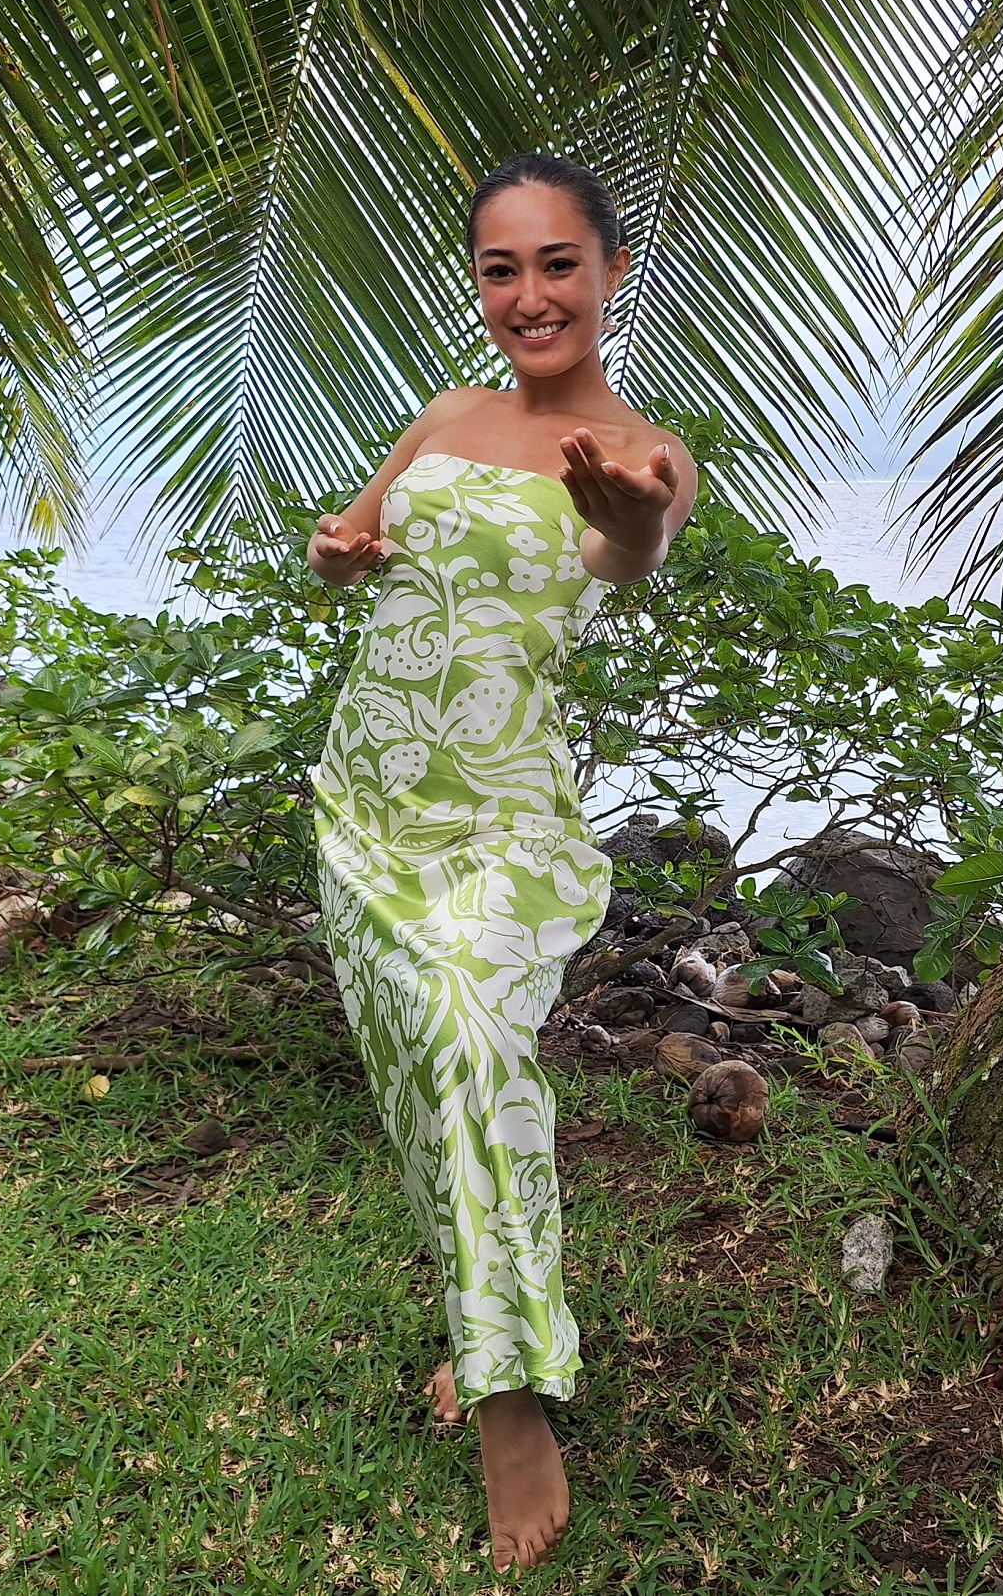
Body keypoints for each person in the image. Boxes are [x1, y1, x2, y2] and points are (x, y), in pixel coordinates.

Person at [305, 153, 697, 1571]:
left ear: (610, 272)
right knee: (422, 1076)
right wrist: (343, 556)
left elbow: (628, 549)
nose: (530, 295)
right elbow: (356, 545)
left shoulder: (647, 456)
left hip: (506, 821)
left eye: (557, 265)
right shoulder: (448, 416)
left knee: (474, 1039)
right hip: (366, 804)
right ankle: (486, 1328)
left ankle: (513, 1396)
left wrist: (629, 514)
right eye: (500, 269)